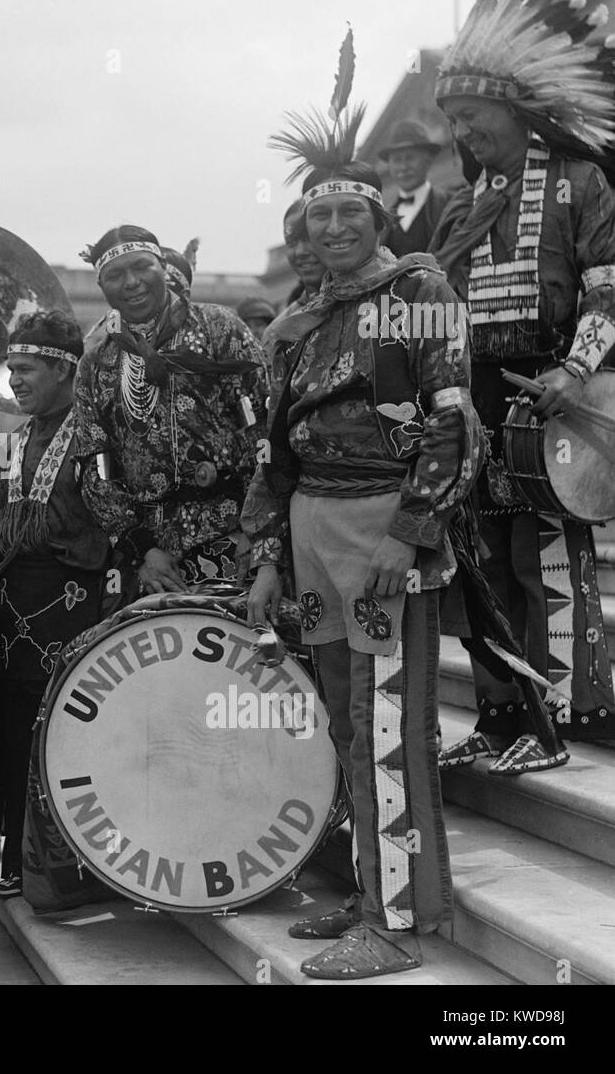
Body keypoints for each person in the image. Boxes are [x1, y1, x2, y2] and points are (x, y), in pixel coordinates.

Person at [245, 95, 486, 978]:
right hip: (312, 538)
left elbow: (454, 420)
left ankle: (395, 923)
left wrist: (411, 535)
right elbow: (273, 452)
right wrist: (266, 557)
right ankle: (368, 886)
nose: (336, 224)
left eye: (352, 210)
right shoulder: (302, 320)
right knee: (346, 724)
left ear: (381, 216)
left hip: (382, 533)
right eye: (320, 213)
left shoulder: (420, 290)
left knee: (388, 724)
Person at [431, 0, 615, 770]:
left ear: (513, 108)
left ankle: (565, 716)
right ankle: (502, 714)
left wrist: (575, 372)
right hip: (473, 405)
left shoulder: (580, 185)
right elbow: (431, 309)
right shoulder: (457, 207)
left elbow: (608, 289)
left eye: (474, 119)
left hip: (550, 395)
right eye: (458, 125)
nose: (467, 136)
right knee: (478, 562)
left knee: (540, 558)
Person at [0, 312, 110, 900]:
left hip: (76, 607)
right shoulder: (19, 440)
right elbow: (11, 530)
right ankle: (20, 862)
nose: (13, 382)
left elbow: (101, 521)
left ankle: (74, 869)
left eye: (25, 370)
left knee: (69, 733)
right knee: (17, 735)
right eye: (11, 370)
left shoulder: (94, 433)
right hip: (18, 614)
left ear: (64, 369)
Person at [75, 224, 268, 595]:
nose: (131, 282)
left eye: (142, 266)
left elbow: (263, 434)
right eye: (115, 275)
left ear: (163, 266)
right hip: (149, 564)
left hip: (236, 540)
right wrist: (141, 549)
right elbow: (93, 469)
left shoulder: (219, 328)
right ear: (101, 287)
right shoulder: (96, 364)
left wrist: (263, 545)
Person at [377, 120, 455, 258]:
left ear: (428, 160)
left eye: (410, 158)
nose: (403, 167)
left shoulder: (451, 205)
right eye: (397, 160)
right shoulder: (382, 222)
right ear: (389, 166)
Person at [283, 197, 326, 310]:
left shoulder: (371, 303)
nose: (300, 252)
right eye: (291, 242)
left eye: (309, 238)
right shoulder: (288, 317)